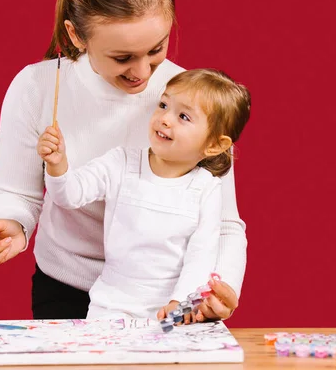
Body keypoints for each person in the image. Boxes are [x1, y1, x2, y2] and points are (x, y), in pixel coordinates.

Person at [0, 0, 247, 322]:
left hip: (168, 298)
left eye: (156, 49)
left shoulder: (192, 101)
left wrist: (224, 287)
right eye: (123, 58)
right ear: (76, 35)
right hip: (66, 289)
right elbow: (18, 193)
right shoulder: (36, 86)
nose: (142, 72)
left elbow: (225, 224)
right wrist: (13, 224)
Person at [38, 69, 250, 322]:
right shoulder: (121, 163)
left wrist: (180, 306)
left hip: (173, 315)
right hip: (109, 309)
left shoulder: (207, 188)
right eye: (163, 105)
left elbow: (202, 256)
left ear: (215, 145)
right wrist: (57, 164)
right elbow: (69, 196)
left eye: (183, 116)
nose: (164, 119)